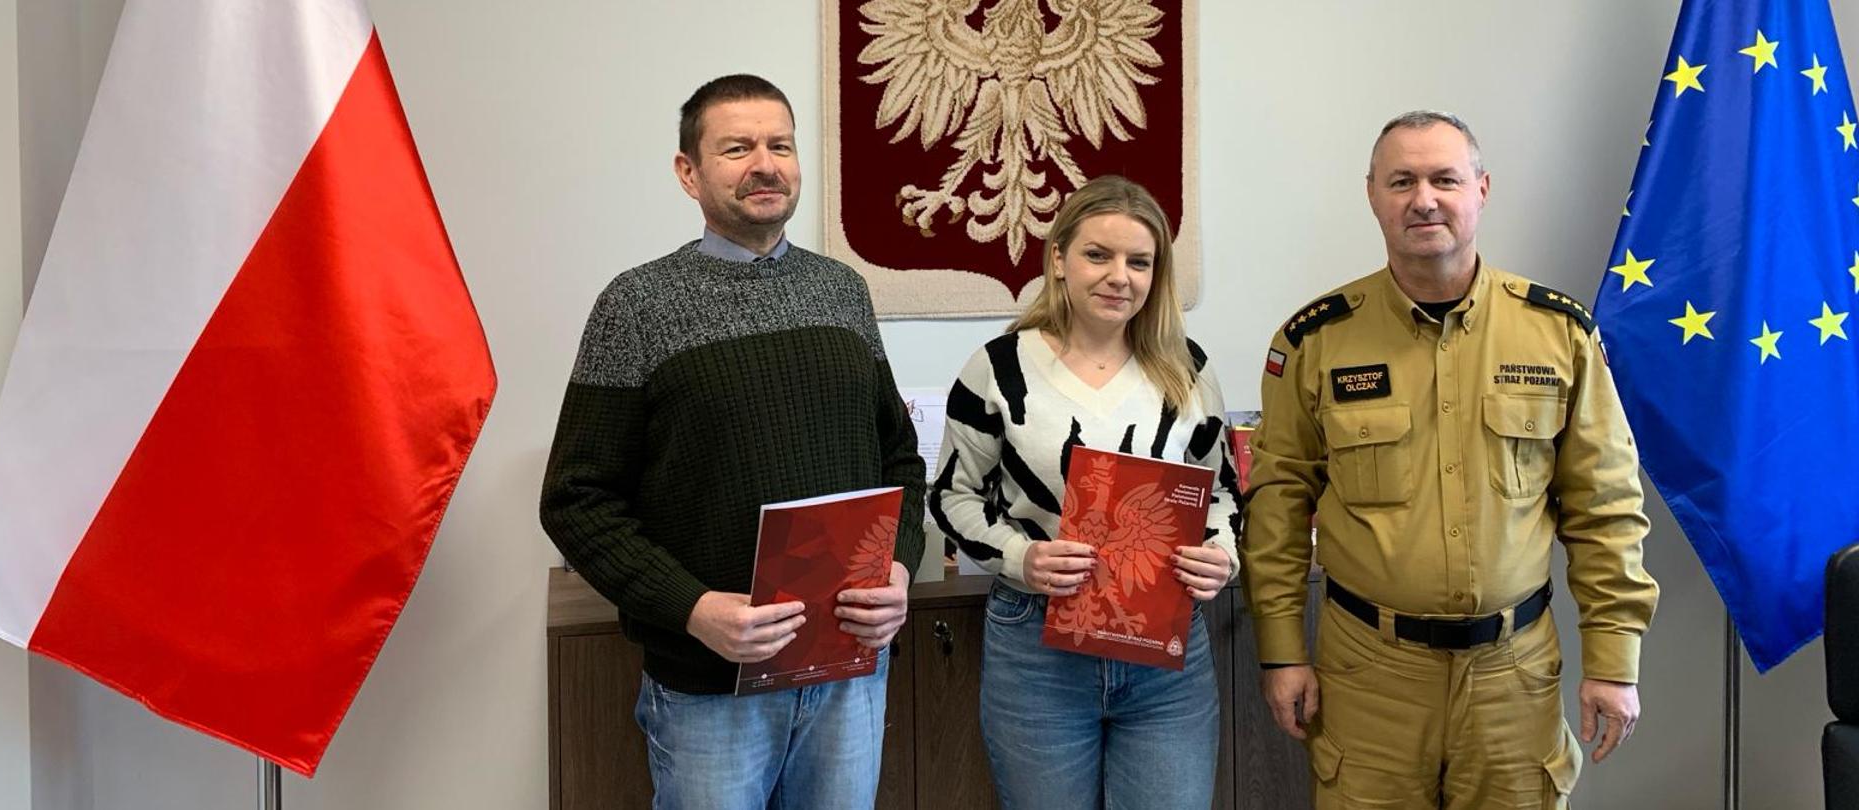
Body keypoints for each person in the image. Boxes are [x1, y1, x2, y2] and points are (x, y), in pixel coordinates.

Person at [1242, 110, 1660, 808]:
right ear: (1372, 195)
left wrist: (1614, 658)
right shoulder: (1317, 340)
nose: (1424, 199)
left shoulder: (1557, 334)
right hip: (1369, 677)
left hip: (1513, 677)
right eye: (1401, 181)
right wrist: (1283, 650)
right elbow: (1277, 506)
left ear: (1481, 190)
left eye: (1445, 179)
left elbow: (1606, 507)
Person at [539, 74, 925, 810]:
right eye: (738, 148)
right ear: (689, 173)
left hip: (848, 669)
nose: (766, 165)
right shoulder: (636, 305)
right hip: (710, 690)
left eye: (781, 145)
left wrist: (901, 567)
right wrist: (692, 608)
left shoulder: (842, 291)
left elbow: (899, 459)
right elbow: (575, 501)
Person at [929, 175, 1244, 809]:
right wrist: (1022, 557)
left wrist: (1222, 553)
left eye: (1139, 262)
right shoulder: (999, 367)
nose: (1119, 277)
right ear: (1059, 260)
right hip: (1036, 645)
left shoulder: (1188, 367)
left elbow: (1222, 493)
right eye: (1098, 255)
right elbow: (951, 497)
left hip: (1165, 650)